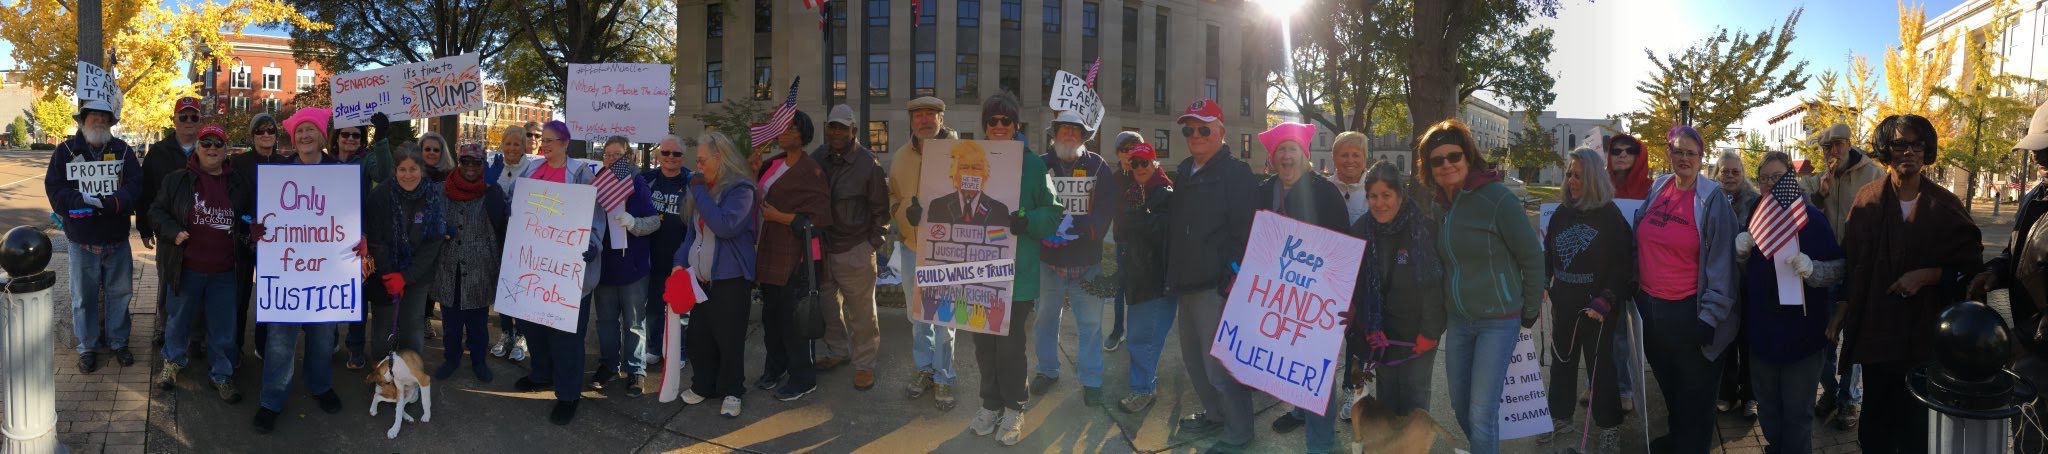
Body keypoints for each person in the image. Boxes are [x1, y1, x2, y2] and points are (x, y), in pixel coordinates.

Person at [1838, 114, 1982, 454]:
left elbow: (1972, 271)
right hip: (1877, 335)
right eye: (1900, 144)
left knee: (1917, 428)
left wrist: (1929, 275)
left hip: (1924, 337)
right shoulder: (1867, 200)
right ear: (1886, 150)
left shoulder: (1945, 206)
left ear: (1927, 151)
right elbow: (1852, 263)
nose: (1909, 152)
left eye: (1918, 144)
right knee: (1875, 428)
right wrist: (1842, 308)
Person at [1418, 119, 1546, 454]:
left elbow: (1532, 257)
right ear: (1429, 168)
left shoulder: (1497, 199)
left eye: (1454, 156)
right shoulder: (1439, 206)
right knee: (1462, 407)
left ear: (1469, 156)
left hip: (1497, 321)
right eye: (1437, 160)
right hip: (1459, 321)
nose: (1446, 164)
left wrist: (1529, 310)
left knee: (1481, 412)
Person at [953, 92, 1063, 444]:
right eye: (992, 121)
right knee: (983, 345)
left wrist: (1027, 220)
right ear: (985, 127)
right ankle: (991, 404)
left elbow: (1053, 212)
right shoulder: (968, 160)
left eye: (1006, 121)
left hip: (1017, 276)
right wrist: (921, 215)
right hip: (976, 273)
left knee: (1010, 348)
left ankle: (1015, 408)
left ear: (1016, 125)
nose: (999, 126)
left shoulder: (1033, 165)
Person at [1630, 125, 1739, 454]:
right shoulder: (1660, 186)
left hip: (1690, 311)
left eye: (1691, 152)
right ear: (1669, 154)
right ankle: (1679, 440)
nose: (1684, 158)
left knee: (1697, 395)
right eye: (1678, 151)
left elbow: (1723, 261)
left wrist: (1711, 316)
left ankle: (1692, 446)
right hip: (1650, 307)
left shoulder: (1712, 198)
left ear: (1701, 157)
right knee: (1671, 386)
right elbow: (1640, 232)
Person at [1163, 98, 1258, 451]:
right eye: (1190, 129)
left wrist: (1229, 277)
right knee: (1194, 362)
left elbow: (1245, 231)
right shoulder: (1185, 169)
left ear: (1221, 131)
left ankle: (1239, 431)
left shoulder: (1236, 172)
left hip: (1215, 287)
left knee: (1220, 366)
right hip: (1184, 283)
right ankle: (1216, 416)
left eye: (1204, 128)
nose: (1196, 135)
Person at [1736, 151, 1844, 454]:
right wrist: (1740, 254)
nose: (1770, 183)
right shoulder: (1757, 213)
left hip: (1802, 337)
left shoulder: (1810, 218)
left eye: (1778, 177)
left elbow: (1838, 267)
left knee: (1797, 414)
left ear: (1790, 180)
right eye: (1764, 177)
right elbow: (1750, 273)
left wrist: (1813, 269)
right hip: (1762, 334)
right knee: (1769, 411)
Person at [1251, 122, 1349, 454]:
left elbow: (1343, 248)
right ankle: (1299, 409)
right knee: (1287, 360)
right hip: (1276, 299)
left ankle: (1321, 443)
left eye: (1292, 149)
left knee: (1316, 371)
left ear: (1305, 156)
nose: (1286, 156)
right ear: (1272, 158)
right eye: (1280, 150)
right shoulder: (1264, 191)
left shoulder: (1325, 192)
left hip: (1316, 300)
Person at [505, 120, 605, 426]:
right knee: (534, 327)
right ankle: (541, 374)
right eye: (542, 140)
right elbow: (517, 207)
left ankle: (568, 395)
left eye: (550, 140)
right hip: (537, 267)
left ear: (565, 142)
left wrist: (592, 244)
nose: (544, 145)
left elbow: (595, 216)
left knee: (567, 336)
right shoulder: (532, 171)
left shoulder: (581, 174)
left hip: (569, 271)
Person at [1536, 147, 1635, 452]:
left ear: (1592, 177)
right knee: (1562, 363)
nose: (1571, 180)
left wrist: (1607, 297)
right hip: (1564, 303)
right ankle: (1560, 416)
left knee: (1601, 369)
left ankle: (1608, 427)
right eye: (1569, 174)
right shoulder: (1562, 213)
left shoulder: (1610, 216)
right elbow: (1549, 253)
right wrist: (1542, 280)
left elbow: (1623, 263)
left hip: (1598, 309)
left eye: (1578, 175)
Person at [254, 107, 345, 434]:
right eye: (300, 131)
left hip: (327, 272)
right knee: (280, 338)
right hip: (287, 271)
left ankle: (320, 386)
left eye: (312, 130)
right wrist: (258, 229)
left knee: (323, 336)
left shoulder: (340, 171)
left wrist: (359, 239)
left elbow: (350, 217)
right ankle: (271, 399)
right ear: (294, 138)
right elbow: (263, 217)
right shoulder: (279, 172)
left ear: (323, 136)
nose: (306, 136)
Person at [150, 123, 251, 402]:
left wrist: (250, 232)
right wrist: (172, 231)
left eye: (218, 144)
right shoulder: (177, 180)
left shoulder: (237, 183)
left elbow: (246, 220)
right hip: (187, 268)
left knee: (222, 329)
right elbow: (155, 212)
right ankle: (172, 363)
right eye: (206, 143)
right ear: (197, 147)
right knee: (178, 321)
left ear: (226, 150)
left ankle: (222, 374)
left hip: (225, 272)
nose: (212, 149)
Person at [46, 97, 144, 373]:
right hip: (82, 241)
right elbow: (55, 188)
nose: (99, 120)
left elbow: (136, 185)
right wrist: (80, 200)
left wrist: (116, 202)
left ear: (112, 122)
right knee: (83, 298)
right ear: (82, 120)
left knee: (120, 294)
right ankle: (87, 347)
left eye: (104, 116)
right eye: (93, 116)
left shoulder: (124, 151)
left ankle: (118, 342)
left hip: (116, 239)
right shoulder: (64, 151)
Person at [1030, 109, 1120, 406]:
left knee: (1091, 322)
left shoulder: (1097, 166)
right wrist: (1043, 227)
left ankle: (1091, 379)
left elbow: (1107, 205)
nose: (1069, 133)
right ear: (1053, 133)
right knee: (1044, 319)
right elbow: (1027, 203)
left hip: (1087, 262)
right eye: (1063, 128)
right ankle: (1047, 370)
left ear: (1084, 136)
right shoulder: (1039, 165)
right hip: (1047, 260)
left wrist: (1084, 228)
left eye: (1076, 129)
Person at [671, 132, 760, 418]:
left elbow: (725, 225)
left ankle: (732, 390)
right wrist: (677, 263)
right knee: (699, 336)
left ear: (719, 157)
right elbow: (691, 235)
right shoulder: (703, 189)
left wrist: (698, 191)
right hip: (701, 282)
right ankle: (704, 385)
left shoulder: (741, 189)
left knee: (729, 338)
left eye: (702, 160)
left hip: (731, 281)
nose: (697, 167)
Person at [1350, 161, 1445, 422]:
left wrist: (1430, 332)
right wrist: (1366, 325)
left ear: (1400, 196)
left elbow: (1433, 287)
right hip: (1382, 335)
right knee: (1388, 398)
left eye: (1386, 195)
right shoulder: (1360, 231)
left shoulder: (1423, 230)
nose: (1379, 203)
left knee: (1415, 396)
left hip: (1417, 336)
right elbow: (1356, 288)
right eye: (1372, 196)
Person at [754, 111, 832, 401]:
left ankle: (803, 378)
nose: (783, 133)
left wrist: (780, 216)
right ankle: (775, 368)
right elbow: (755, 197)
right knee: (771, 317)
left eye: (790, 128)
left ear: (802, 134)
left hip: (798, 257)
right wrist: (752, 170)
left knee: (795, 321)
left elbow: (819, 218)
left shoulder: (811, 170)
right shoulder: (770, 164)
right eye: (781, 128)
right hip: (769, 249)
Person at [810, 104, 888, 390]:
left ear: (853, 130)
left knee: (862, 313)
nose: (837, 132)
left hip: (855, 247)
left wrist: (871, 244)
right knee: (829, 307)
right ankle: (837, 352)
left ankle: (865, 364)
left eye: (843, 127)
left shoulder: (868, 163)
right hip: (824, 247)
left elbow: (881, 210)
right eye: (833, 126)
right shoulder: (818, 157)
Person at [890, 96, 961, 406]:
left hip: (948, 250)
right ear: (911, 121)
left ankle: (944, 375)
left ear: (941, 119)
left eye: (930, 114)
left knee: (945, 318)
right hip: (911, 248)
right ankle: (925, 370)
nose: (924, 120)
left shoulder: (961, 154)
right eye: (917, 115)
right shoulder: (901, 156)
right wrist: (904, 214)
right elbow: (893, 194)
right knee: (918, 317)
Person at [1809, 122, 1881, 430]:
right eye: (1827, 148)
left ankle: (1850, 400)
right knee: (1823, 338)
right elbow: (1807, 216)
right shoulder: (1819, 179)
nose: (1832, 152)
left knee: (1853, 338)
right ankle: (1832, 391)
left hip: (1858, 268)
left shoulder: (1875, 175)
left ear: (1849, 144)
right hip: (1827, 267)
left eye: (1837, 145)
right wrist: (1820, 196)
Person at [589, 136, 663, 397]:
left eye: (617, 155)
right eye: (607, 155)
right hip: (605, 267)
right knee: (606, 321)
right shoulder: (596, 185)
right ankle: (609, 365)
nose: (611, 159)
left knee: (634, 323)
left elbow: (654, 221)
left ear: (628, 157)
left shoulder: (636, 182)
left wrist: (634, 224)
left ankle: (636, 369)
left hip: (633, 267)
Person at [432, 143, 508, 383]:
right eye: (466, 161)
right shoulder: (442, 189)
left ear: (483, 164)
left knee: (478, 323)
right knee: (451, 322)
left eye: (477, 162)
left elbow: (501, 219)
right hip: (449, 266)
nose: (471, 167)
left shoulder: (490, 191)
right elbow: (432, 220)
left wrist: (491, 188)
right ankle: (451, 358)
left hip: (480, 267)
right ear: (459, 162)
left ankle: (478, 360)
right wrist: (441, 229)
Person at [364, 150, 445, 363]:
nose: (408, 175)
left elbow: (433, 241)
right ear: (395, 171)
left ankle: (411, 374)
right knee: (383, 326)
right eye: (402, 169)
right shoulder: (380, 195)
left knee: (412, 325)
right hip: (385, 272)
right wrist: (391, 274)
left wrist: (406, 277)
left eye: (413, 169)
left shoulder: (432, 196)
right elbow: (376, 240)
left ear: (422, 170)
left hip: (418, 275)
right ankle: (383, 372)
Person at [1111, 142, 1174, 414]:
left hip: (1155, 278)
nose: (1139, 168)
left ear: (1154, 163)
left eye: (1144, 162)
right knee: (1140, 333)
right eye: (1134, 163)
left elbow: (1163, 231)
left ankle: (1143, 390)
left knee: (1143, 337)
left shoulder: (1164, 192)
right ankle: (1143, 385)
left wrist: (1136, 220)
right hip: (1138, 272)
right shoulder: (1134, 190)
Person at [140, 97, 203, 349]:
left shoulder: (211, 147)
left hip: (202, 231)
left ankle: (197, 335)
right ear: (174, 120)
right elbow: (145, 193)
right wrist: (145, 228)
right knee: (168, 281)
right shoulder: (158, 152)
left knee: (199, 284)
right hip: (168, 231)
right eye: (183, 117)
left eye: (194, 117)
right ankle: (164, 328)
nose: (188, 122)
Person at [231, 113, 291, 358]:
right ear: (252, 135)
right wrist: (249, 223)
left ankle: (263, 346)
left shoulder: (285, 163)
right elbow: (233, 203)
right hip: (245, 238)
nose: (266, 135)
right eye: (260, 131)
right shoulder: (239, 163)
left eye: (270, 131)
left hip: (275, 243)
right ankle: (233, 348)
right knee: (239, 296)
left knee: (270, 295)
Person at [1603, 133, 1650, 412]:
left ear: (1638, 155)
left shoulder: (1651, 189)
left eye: (1629, 150)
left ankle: (1626, 387)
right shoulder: (1600, 187)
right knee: (1608, 331)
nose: (1622, 154)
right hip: (1606, 271)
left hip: (1642, 271)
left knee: (1633, 335)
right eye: (1616, 150)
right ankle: (1608, 384)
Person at [1713, 150, 1761, 419]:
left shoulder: (1755, 202)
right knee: (1726, 341)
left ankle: (1750, 396)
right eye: (1725, 171)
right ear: (1716, 172)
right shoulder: (1709, 201)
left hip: (1748, 283)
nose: (1730, 176)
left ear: (1743, 175)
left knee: (1748, 340)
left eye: (1735, 171)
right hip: (1720, 283)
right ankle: (1727, 392)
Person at [644, 135, 696, 368]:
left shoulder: (692, 183)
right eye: (665, 153)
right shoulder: (648, 180)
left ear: (683, 157)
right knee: (654, 308)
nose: (670, 158)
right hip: (653, 258)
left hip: (682, 259)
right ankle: (654, 347)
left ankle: (679, 351)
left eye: (676, 154)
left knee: (681, 310)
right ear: (658, 155)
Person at [488, 125, 533, 363]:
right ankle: (506, 332)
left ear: (524, 146)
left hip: (523, 237)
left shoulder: (531, 169)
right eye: (508, 143)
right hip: (498, 236)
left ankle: (522, 335)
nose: (512, 148)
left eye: (517, 144)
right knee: (503, 287)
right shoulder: (496, 168)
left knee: (522, 286)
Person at [1104, 131, 1148, 353]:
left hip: (1146, 244)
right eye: (1124, 149)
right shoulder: (1115, 179)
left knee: (1142, 289)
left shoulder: (1148, 173)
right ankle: (1117, 330)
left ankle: (1139, 334)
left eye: (1133, 148)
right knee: (1120, 288)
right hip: (1123, 242)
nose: (1129, 153)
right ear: (1118, 154)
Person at [1331, 131, 1373, 224]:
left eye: (1356, 155)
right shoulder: (1323, 187)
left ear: (1365, 158)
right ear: (1333, 157)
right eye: (1344, 155)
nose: (1350, 160)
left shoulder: (1377, 187)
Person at [1606, 134, 1652, 200]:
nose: (1622, 155)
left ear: (1639, 156)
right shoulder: (1597, 188)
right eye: (1616, 151)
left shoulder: (1653, 190)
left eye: (1630, 151)